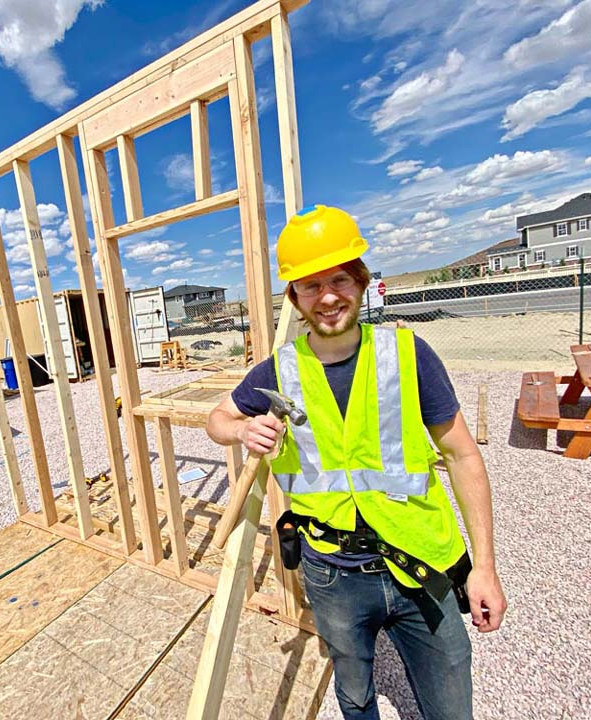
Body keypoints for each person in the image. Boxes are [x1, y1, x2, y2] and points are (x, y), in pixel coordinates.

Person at [206, 205, 506, 719]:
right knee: (355, 696)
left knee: (451, 704)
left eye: (339, 279)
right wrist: (240, 429)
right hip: (332, 574)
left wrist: (485, 568)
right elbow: (217, 419)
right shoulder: (278, 371)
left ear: (361, 282)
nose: (327, 297)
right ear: (295, 298)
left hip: (422, 567)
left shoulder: (408, 355)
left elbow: (462, 455)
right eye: (309, 285)